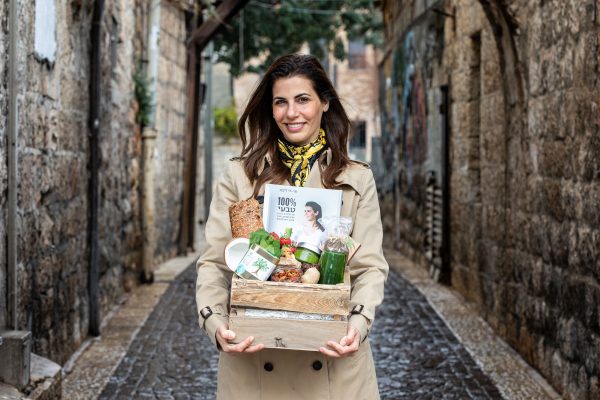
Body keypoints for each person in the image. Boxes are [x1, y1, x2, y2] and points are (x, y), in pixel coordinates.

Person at [195, 53, 389, 399]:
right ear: (270, 109)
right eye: (280, 102)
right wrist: (216, 323)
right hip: (254, 363)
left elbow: (370, 268)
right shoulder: (239, 176)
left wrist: (357, 326)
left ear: (324, 103)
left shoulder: (356, 179)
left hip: (333, 368)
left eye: (303, 100)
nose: (291, 113)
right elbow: (213, 263)